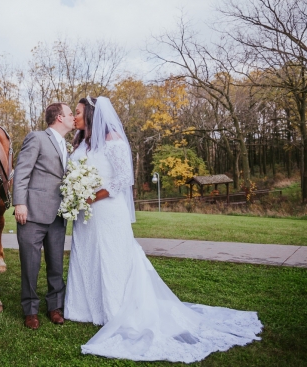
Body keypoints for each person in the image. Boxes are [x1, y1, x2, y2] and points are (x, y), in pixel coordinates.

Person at [64, 96, 263, 363]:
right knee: (87, 257)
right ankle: (86, 310)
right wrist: (75, 195)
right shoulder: (81, 143)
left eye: (77, 112)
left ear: (91, 114)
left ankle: (115, 310)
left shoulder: (112, 140)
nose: (74, 117)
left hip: (108, 211)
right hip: (86, 216)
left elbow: (124, 178)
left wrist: (93, 196)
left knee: (111, 259)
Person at [13, 102, 75, 330]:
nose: (73, 118)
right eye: (70, 114)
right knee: (30, 264)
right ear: (59, 117)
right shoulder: (37, 138)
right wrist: (20, 203)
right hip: (32, 212)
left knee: (56, 263)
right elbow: (22, 171)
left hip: (59, 214)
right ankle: (30, 310)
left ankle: (54, 307)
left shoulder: (67, 145)